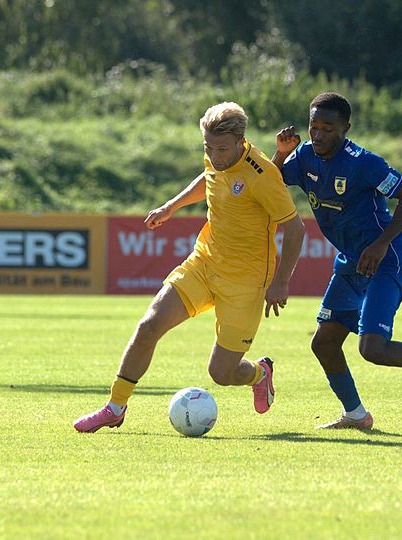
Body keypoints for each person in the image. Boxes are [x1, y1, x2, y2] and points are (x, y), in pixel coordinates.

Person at [74, 102, 306, 433]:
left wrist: (281, 282)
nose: (214, 155)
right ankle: (115, 407)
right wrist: (171, 206)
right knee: (149, 326)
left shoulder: (263, 175)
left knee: (221, 373)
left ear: (241, 141)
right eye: (208, 147)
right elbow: (209, 177)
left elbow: (296, 229)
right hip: (204, 262)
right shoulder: (215, 155)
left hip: (245, 282)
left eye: (222, 149)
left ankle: (259, 373)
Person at [271, 91, 402, 430]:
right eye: (314, 127)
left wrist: (382, 243)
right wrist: (281, 154)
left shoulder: (363, 163)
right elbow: (270, 183)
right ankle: (356, 415)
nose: (319, 135)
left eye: (328, 128)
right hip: (350, 264)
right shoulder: (305, 156)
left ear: (345, 129)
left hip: (384, 261)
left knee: (372, 348)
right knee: (324, 343)